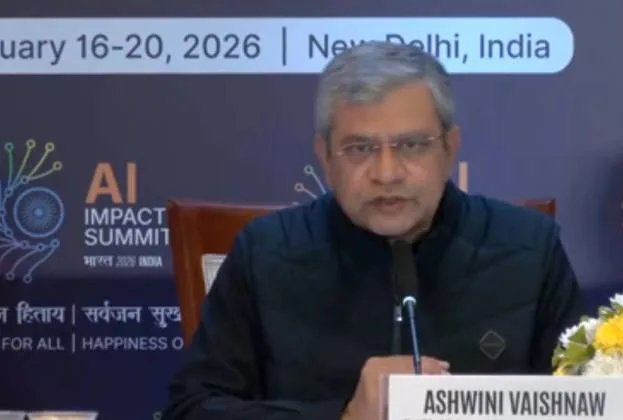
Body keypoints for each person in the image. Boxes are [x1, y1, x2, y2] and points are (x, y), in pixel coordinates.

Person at [161, 40, 585, 420]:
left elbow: (592, 401)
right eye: (359, 148)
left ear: (450, 148)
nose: (386, 173)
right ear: (325, 157)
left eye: (412, 145)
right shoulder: (266, 254)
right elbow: (192, 409)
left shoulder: (530, 251)